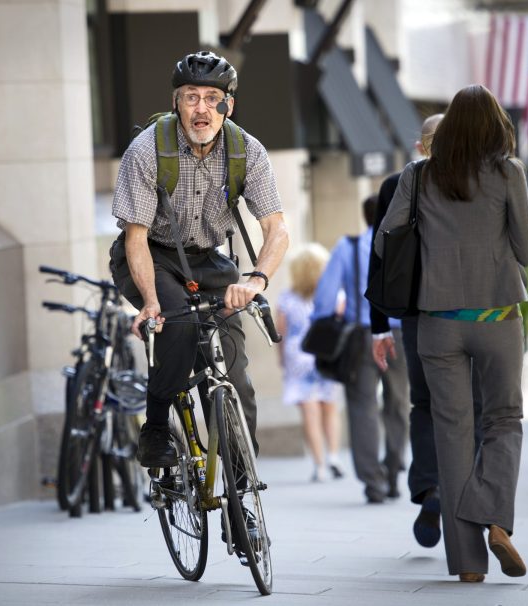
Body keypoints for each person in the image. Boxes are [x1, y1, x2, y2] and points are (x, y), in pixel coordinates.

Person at [108, 51, 289, 532]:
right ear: (177, 102)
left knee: (236, 376)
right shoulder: (147, 151)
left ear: (228, 105)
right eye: (192, 98)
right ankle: (154, 430)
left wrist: (255, 281)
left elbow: (276, 228)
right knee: (176, 327)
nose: (202, 109)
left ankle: (240, 496)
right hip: (154, 256)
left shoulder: (247, 151)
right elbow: (136, 238)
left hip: (210, 260)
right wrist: (150, 301)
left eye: (212, 98)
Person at [376, 84, 528, 583]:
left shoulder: (418, 175)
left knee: (451, 437)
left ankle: (467, 566)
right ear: (496, 126)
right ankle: (495, 517)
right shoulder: (509, 173)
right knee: (504, 420)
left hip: (438, 323)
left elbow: (386, 241)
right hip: (496, 318)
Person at [369, 114, 483, 549]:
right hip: (473, 313)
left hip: (417, 313)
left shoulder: (396, 184)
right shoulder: (481, 181)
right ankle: (464, 493)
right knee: (470, 405)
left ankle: (432, 488)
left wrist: (379, 325)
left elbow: (380, 256)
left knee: (425, 404)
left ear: (421, 147)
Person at [313, 196, 410, 504]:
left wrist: (326, 323)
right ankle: (393, 470)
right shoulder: (404, 244)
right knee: (399, 404)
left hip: (361, 336)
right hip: (400, 335)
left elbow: (324, 299)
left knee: (362, 407)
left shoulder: (349, 247)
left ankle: (373, 482)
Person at [276, 243, 344, 482]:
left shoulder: (286, 298)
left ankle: (320, 465)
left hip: (298, 355)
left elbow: (281, 333)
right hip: (326, 353)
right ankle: (334, 456)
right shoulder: (335, 295)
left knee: (310, 412)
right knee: (330, 406)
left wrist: (282, 361)